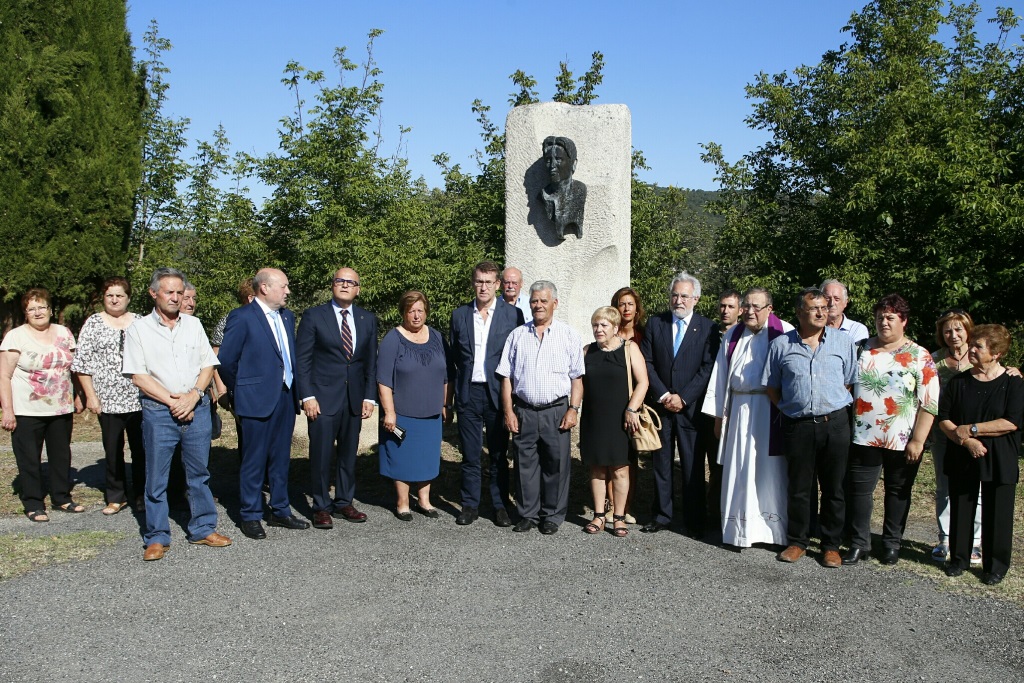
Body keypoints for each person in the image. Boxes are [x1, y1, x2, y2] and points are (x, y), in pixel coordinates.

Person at [122, 268, 231, 560]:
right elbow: (138, 376)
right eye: (169, 292)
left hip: (196, 407)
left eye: (179, 292)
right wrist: (173, 402)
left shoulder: (194, 325)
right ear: (153, 293)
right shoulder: (138, 329)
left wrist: (194, 394)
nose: (175, 297)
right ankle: (157, 537)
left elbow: (208, 364)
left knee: (199, 473)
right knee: (156, 477)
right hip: (160, 411)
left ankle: (203, 528)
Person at [763, 287, 857, 568]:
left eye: (824, 308)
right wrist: (791, 409)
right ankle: (798, 541)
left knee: (834, 488)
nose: (820, 312)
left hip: (835, 424)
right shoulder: (781, 345)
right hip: (798, 426)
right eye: (813, 308)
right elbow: (772, 386)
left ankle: (830, 546)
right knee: (800, 488)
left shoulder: (844, 342)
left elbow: (849, 380)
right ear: (799, 313)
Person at [844, 294, 939, 566]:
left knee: (898, 493)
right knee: (859, 492)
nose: (883, 322)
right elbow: (845, 386)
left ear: (904, 321)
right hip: (863, 436)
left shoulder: (919, 355)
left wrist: (918, 440)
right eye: (879, 317)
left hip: (902, 439)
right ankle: (860, 543)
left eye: (890, 318)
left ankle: (891, 544)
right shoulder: (860, 349)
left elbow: (929, 402)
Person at [218, 268, 309, 539]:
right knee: (254, 459)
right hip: (255, 399)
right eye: (284, 286)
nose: (288, 291)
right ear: (265, 288)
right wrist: (244, 390)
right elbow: (226, 362)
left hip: (285, 397)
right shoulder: (242, 317)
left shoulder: (287, 316)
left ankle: (280, 509)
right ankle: (250, 514)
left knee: (281, 458)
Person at [701, 288, 792, 549]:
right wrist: (718, 415)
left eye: (757, 307)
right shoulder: (732, 334)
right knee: (739, 468)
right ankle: (737, 530)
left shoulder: (784, 331)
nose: (750, 311)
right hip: (738, 408)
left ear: (769, 309)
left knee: (769, 469)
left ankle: (771, 531)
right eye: (747, 306)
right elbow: (720, 377)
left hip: (769, 409)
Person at [938, 324, 1024, 585]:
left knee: (999, 512)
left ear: (996, 353)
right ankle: (959, 559)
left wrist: (972, 429)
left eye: (978, 346)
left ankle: (995, 566)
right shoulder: (959, 382)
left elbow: (1011, 422)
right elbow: (944, 419)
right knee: (962, 507)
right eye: (972, 344)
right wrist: (967, 442)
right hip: (963, 453)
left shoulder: (1014, 382)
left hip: (1000, 456)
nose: (971, 349)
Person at [497, 281, 585, 534]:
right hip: (523, 410)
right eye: (534, 300)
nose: (538, 305)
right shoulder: (517, 336)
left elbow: (577, 377)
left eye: (543, 301)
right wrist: (508, 412)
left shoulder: (568, 335)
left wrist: (573, 409)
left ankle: (552, 516)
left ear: (554, 304)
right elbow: (506, 377)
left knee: (556, 465)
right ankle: (528, 514)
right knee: (525, 465)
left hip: (556, 410)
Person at [295, 267, 378, 530]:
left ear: (358, 289)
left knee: (348, 454)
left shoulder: (367, 319)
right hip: (321, 398)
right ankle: (321, 506)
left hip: (354, 398)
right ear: (332, 285)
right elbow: (303, 360)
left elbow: (370, 363)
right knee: (320, 454)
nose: (344, 285)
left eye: (350, 282)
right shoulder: (314, 316)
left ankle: (344, 501)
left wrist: (369, 397)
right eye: (340, 280)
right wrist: (307, 395)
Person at [639, 272, 720, 536]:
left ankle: (695, 519)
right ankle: (662, 515)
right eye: (675, 294)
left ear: (696, 298)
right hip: (661, 408)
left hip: (691, 409)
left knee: (692, 466)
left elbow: (708, 367)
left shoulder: (708, 328)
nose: (679, 300)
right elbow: (647, 362)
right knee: (661, 464)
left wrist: (684, 397)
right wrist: (663, 395)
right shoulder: (655, 323)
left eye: (684, 295)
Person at [450, 261, 525, 527]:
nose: (483, 287)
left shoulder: (512, 315)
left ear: (497, 285)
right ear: (473, 283)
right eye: (479, 281)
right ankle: (469, 505)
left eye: (488, 282)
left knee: (497, 455)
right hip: (469, 393)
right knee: (470, 455)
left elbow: (517, 357)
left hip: (497, 393)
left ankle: (500, 505)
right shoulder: (459, 315)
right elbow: (454, 359)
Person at [0, 288, 83, 521]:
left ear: (50, 309)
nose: (38, 312)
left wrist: (78, 395)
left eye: (42, 307)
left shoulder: (64, 332)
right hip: (27, 409)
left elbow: (73, 369)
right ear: (25, 313)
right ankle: (34, 502)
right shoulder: (15, 337)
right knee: (29, 457)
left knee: (60, 455)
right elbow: (4, 376)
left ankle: (61, 497)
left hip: (60, 406)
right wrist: (7, 411)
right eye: (31, 309)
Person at [72, 277, 145, 515]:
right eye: (109, 295)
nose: (114, 300)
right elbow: (82, 364)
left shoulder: (140, 322)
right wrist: (90, 396)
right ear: (103, 298)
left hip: (139, 397)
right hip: (107, 400)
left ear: (128, 298)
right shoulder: (93, 323)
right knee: (113, 449)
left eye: (119, 295)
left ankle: (142, 495)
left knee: (142, 448)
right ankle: (116, 496)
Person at [377, 291, 453, 520]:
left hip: (431, 413)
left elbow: (448, 375)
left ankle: (425, 501)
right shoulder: (393, 339)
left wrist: (446, 404)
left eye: (420, 310)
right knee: (402, 458)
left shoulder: (439, 338)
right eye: (411, 311)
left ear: (426, 311)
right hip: (402, 413)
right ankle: (402, 503)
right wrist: (389, 412)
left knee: (427, 457)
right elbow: (383, 379)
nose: (416, 315)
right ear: (403, 312)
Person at [580, 307, 648, 538]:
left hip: (622, 420)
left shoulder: (630, 349)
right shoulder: (587, 351)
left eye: (604, 325)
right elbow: (578, 383)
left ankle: (618, 517)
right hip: (594, 419)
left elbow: (643, 382)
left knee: (620, 469)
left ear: (615, 327)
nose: (599, 329)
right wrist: (573, 408)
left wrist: (632, 408)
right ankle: (599, 515)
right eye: (596, 325)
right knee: (597, 468)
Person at [929, 309, 982, 564]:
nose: (953, 335)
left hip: (977, 431)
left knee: (977, 487)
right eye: (947, 330)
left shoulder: (978, 356)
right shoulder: (934, 359)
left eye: (959, 329)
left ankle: (975, 543)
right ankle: (945, 539)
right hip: (944, 433)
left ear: (968, 330)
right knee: (945, 487)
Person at [606, 286, 646, 524]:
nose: (626, 308)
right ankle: (610, 506)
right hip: (613, 403)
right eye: (622, 304)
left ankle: (627, 505)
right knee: (613, 456)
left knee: (631, 456)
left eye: (630, 304)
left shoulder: (645, 335)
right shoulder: (610, 333)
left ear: (637, 308)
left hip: (638, 403)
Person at [539, 135, 587, 240]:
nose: (552, 165)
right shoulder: (543, 195)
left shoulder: (580, 190)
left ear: (573, 163)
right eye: (548, 160)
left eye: (558, 159)